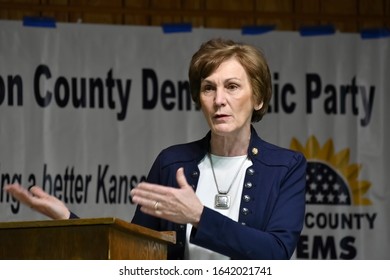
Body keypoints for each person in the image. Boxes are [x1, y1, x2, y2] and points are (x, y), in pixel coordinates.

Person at [4, 38, 306, 260]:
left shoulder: (286, 166)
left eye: (232, 86)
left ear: (259, 99)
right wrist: (69, 220)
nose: (219, 100)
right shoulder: (172, 162)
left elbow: (276, 253)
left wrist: (200, 216)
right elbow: (134, 254)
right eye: (208, 88)